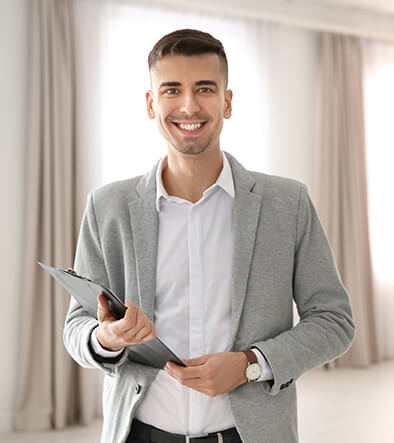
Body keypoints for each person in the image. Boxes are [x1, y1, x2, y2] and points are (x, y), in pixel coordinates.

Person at [63, 29, 355, 443]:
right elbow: (77, 326)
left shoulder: (286, 204)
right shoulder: (107, 206)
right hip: (139, 434)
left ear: (227, 102)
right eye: (171, 90)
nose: (188, 105)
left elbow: (334, 321)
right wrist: (105, 338)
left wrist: (250, 364)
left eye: (204, 88)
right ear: (151, 104)